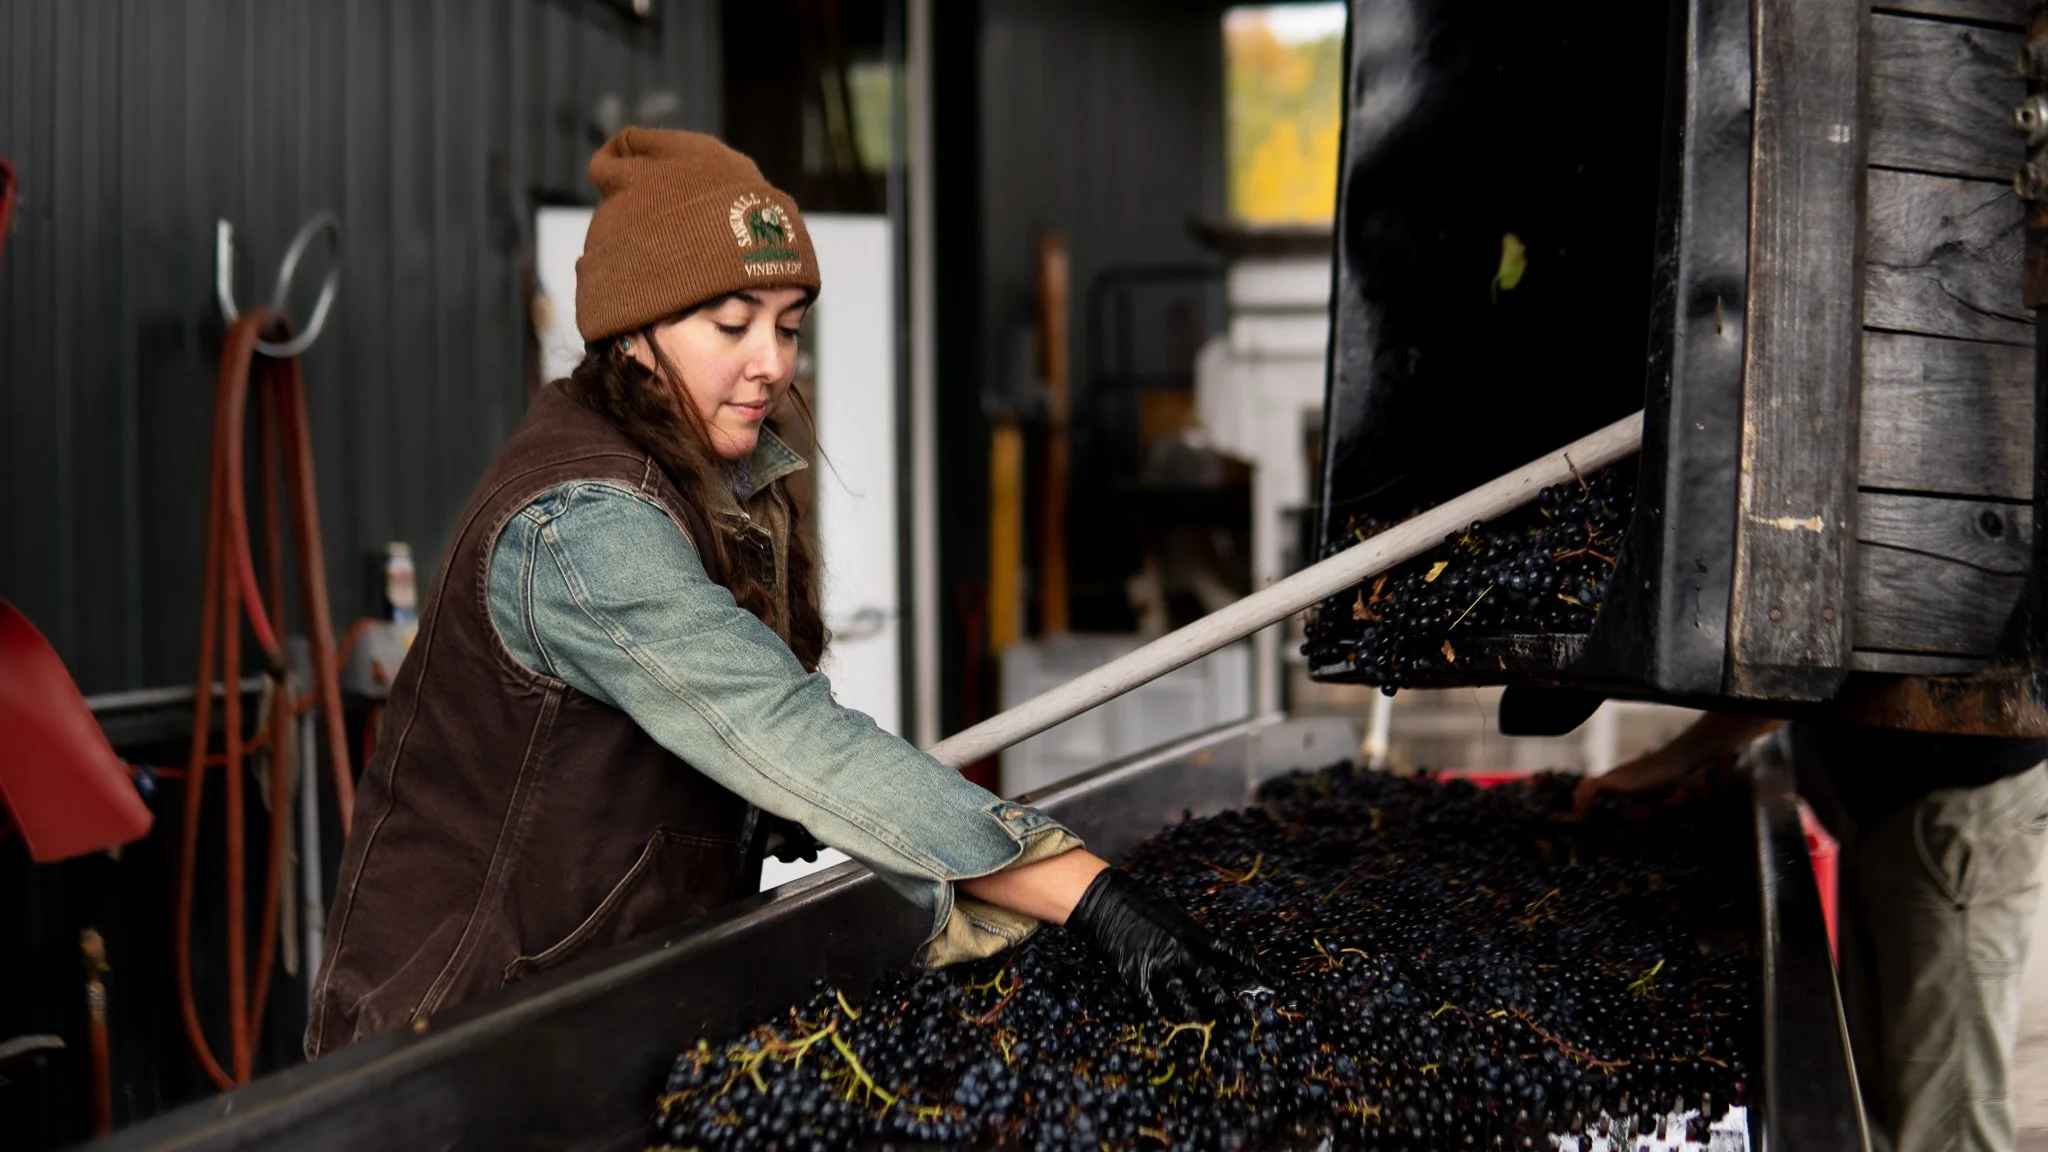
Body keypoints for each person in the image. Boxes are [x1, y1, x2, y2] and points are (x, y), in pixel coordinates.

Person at [305, 129, 1261, 1057]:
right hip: (454, 1051)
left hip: (595, 1018)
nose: (772, 362)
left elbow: (656, 745)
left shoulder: (700, 474)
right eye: (732, 325)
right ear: (633, 333)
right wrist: (1092, 896)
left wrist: (755, 816)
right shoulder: (583, 526)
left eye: (789, 325)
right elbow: (785, 728)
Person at [1575, 714, 2048, 1152]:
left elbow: (1799, 652)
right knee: (1887, 1103)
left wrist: (1678, 756)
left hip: (1956, 802)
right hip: (1896, 801)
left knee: (1948, 1122)